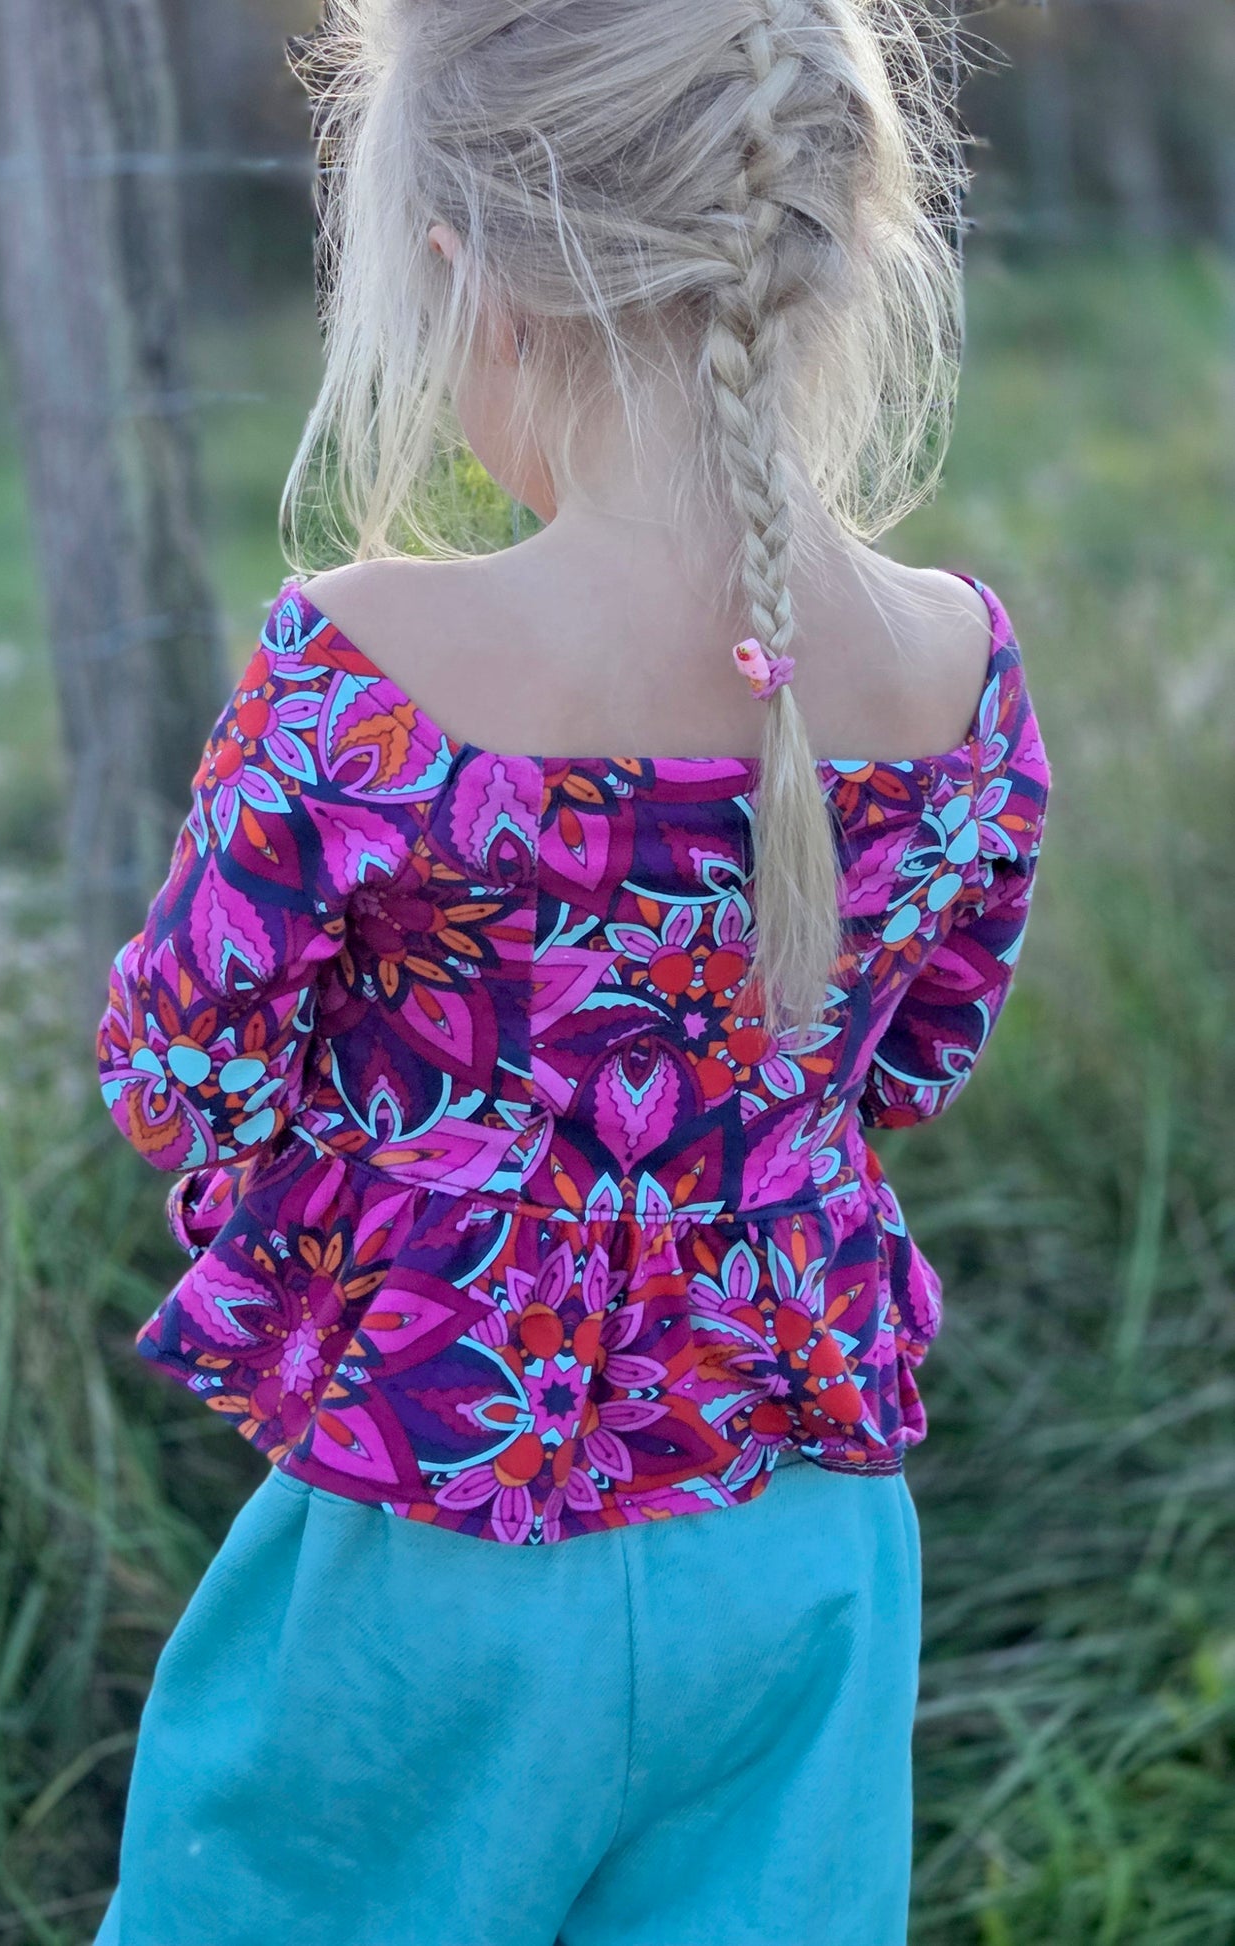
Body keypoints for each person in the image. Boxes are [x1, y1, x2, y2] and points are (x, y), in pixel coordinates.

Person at [91, 2, 1050, 1940]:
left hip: (442, 1509)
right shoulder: (953, 661)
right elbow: (916, 1049)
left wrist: (379, 1236)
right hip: (800, 1526)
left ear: (469, 284)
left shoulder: (365, 664)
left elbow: (183, 1068)